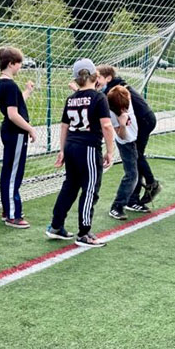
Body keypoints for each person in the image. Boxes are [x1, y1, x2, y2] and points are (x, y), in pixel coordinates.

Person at [47, 59, 114, 248]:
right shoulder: (99, 97)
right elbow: (107, 126)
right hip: (89, 148)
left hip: (71, 146)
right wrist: (110, 151)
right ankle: (84, 233)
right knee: (90, 189)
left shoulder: (71, 98)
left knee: (70, 186)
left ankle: (55, 225)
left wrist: (62, 149)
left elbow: (64, 126)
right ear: (94, 75)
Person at [96, 65, 160, 210]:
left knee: (136, 158)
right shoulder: (113, 88)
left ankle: (150, 185)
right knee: (136, 159)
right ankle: (134, 198)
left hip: (144, 121)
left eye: (98, 77)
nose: (96, 80)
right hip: (142, 121)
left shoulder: (115, 92)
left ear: (108, 78)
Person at [0, 46, 36, 229]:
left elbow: (15, 104)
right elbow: (12, 114)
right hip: (15, 132)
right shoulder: (9, 85)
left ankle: (7, 208)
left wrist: (27, 91)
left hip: (10, 132)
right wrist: (30, 129)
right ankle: (12, 214)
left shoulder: (2, 83)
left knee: (9, 171)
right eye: (19, 64)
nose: (20, 67)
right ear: (11, 64)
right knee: (13, 174)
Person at [106, 85, 139, 221]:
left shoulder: (126, 98)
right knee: (131, 175)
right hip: (126, 143)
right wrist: (123, 124)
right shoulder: (113, 113)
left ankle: (132, 200)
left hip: (135, 139)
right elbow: (122, 136)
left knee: (136, 172)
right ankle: (117, 206)